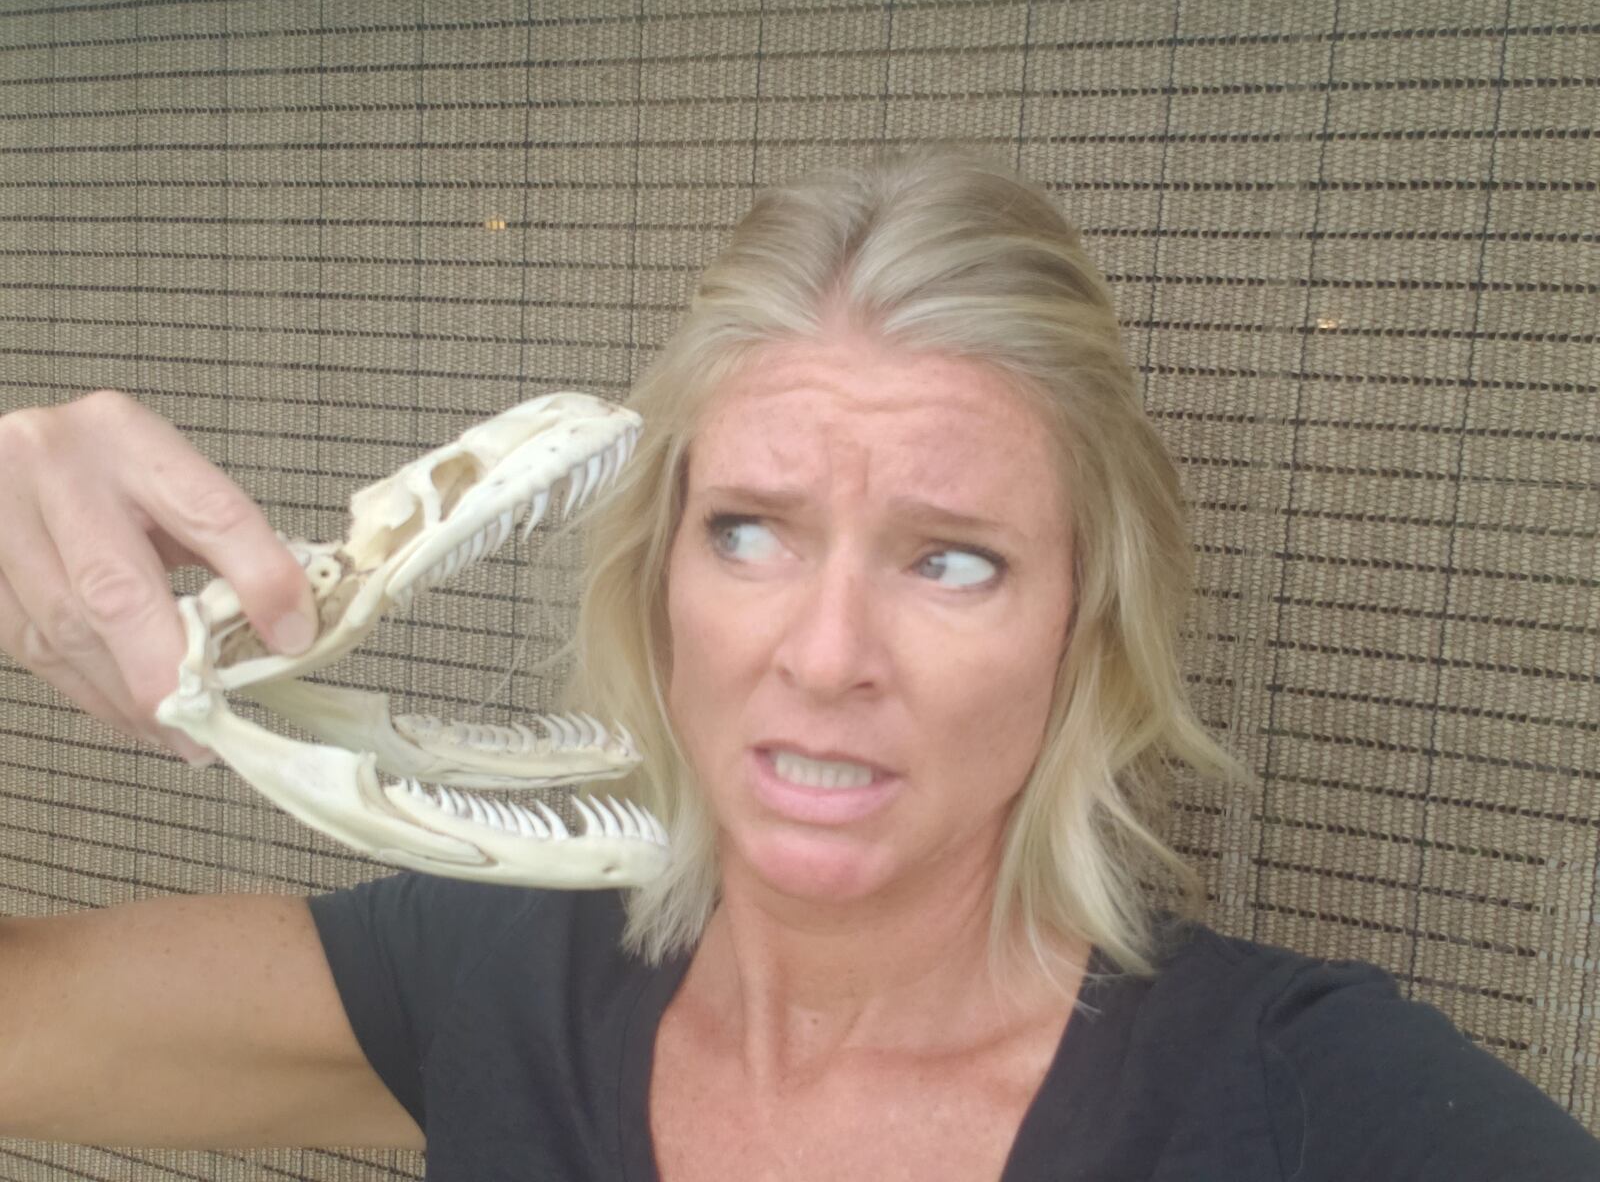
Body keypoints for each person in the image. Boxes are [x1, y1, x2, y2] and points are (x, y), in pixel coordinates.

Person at [0, 148, 1595, 1180]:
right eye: (752, 532)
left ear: (1081, 630)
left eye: (952, 558)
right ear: (662, 581)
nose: (826, 657)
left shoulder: (1302, 1110)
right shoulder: (491, 981)